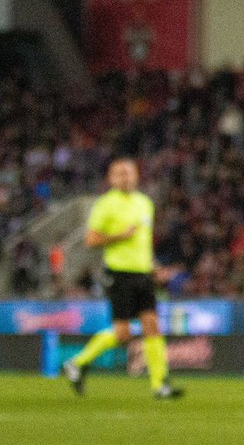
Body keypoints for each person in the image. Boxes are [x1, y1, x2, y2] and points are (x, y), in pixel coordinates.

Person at [62, 158, 182, 400]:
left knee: (152, 326)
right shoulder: (105, 204)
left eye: (129, 172)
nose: (125, 177)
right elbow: (91, 239)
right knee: (123, 334)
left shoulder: (144, 203)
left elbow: (143, 243)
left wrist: (155, 268)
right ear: (111, 178)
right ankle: (77, 363)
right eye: (120, 173)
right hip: (120, 274)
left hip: (143, 274)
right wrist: (119, 235)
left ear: (137, 175)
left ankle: (160, 385)